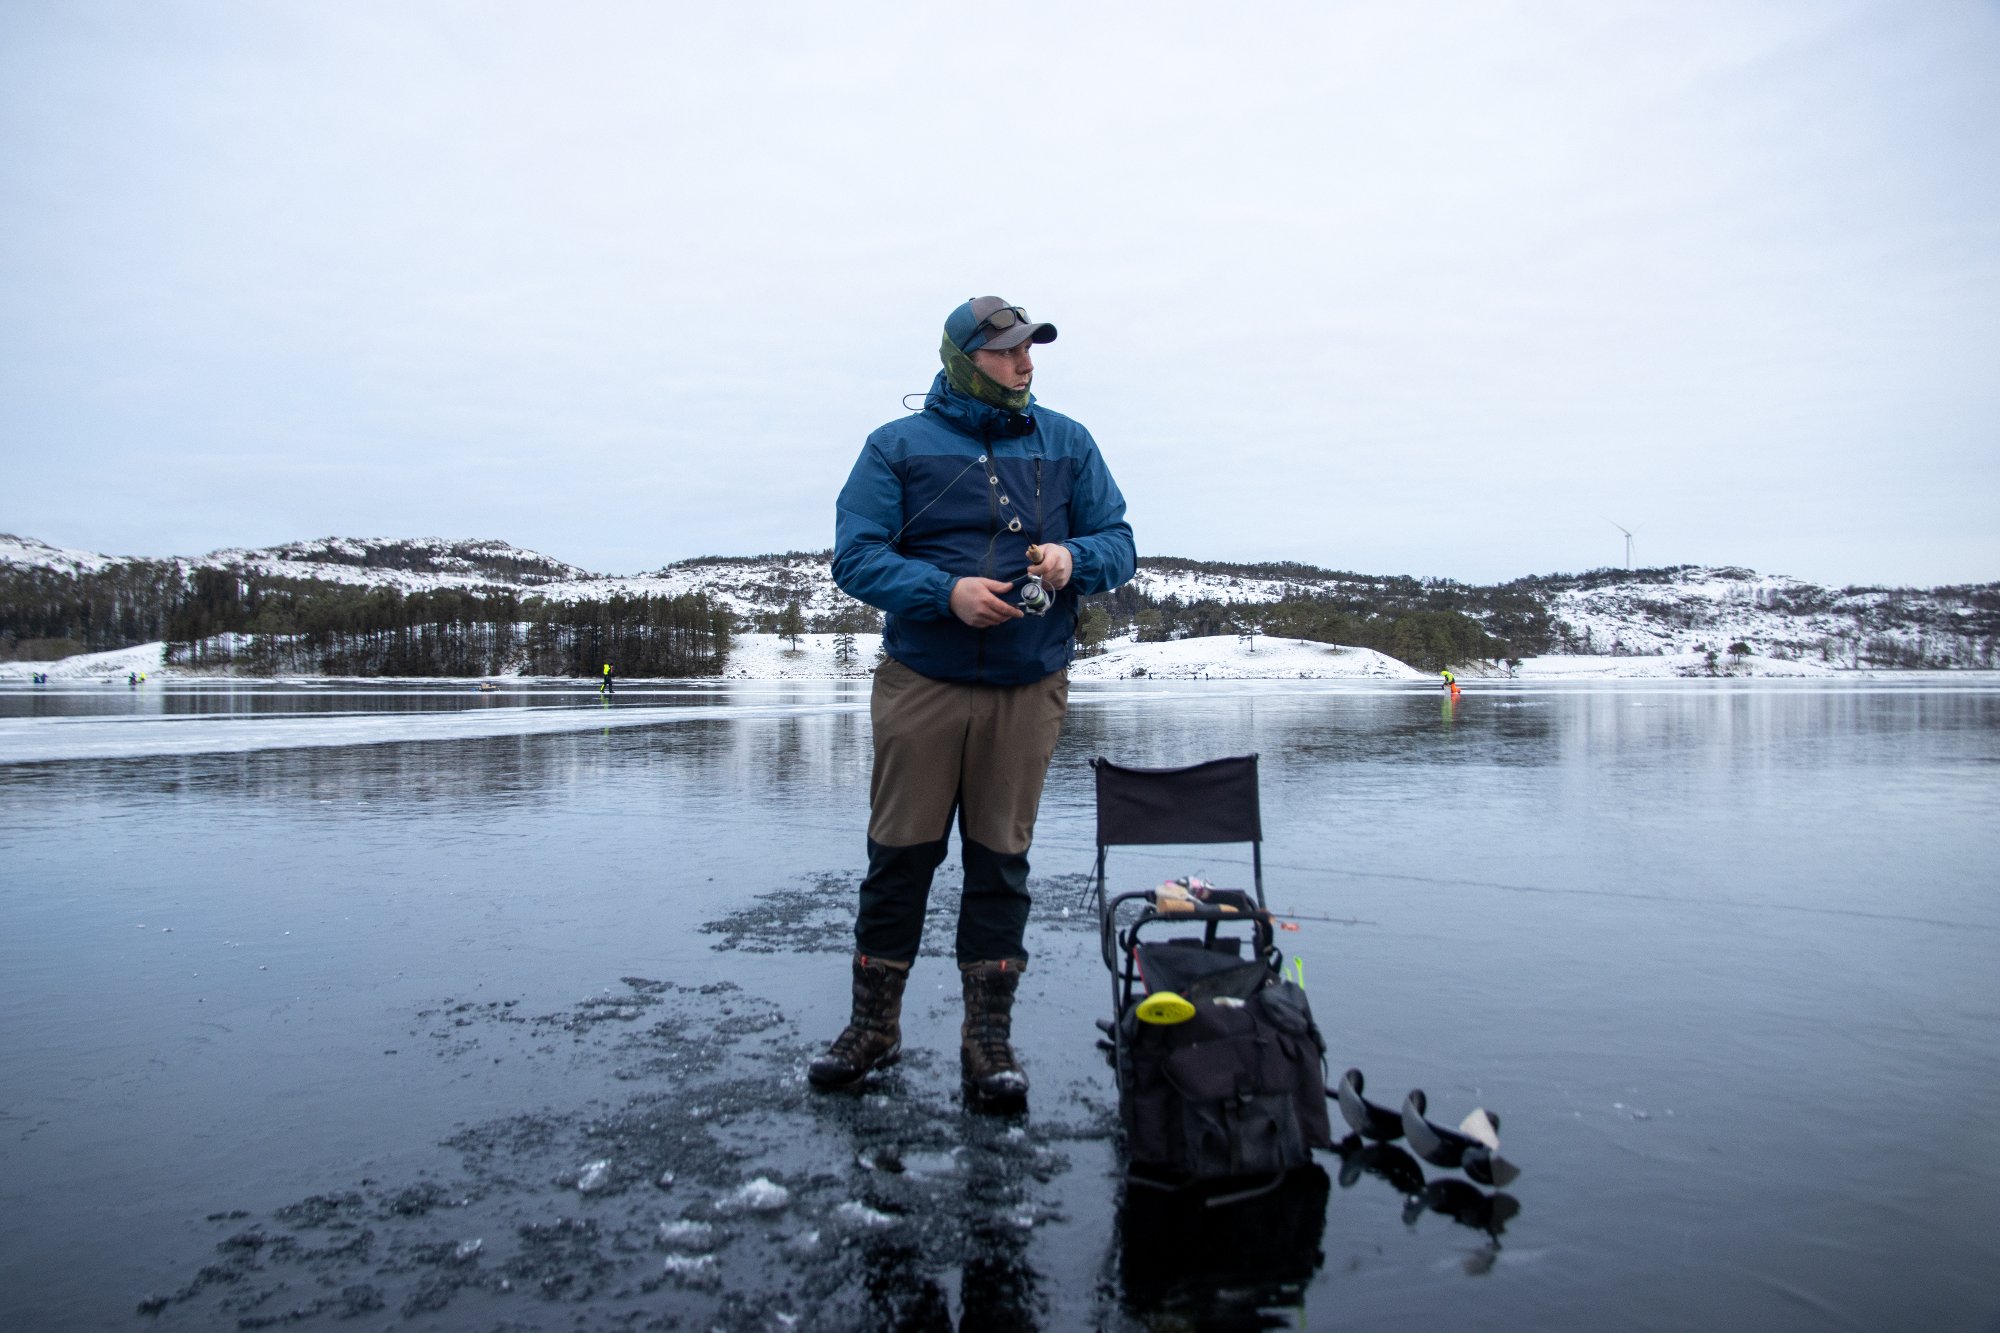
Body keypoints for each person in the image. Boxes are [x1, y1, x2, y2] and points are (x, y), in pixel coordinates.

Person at [812, 295, 1136, 1107]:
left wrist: (1071, 558)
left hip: (1027, 686)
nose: (1027, 364)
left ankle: (987, 1040)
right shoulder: (896, 447)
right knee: (900, 857)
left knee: (1000, 862)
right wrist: (943, 592)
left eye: (1031, 351)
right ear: (965, 359)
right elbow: (854, 557)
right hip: (923, 680)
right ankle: (873, 1028)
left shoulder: (1069, 442)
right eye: (1009, 352)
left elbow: (1120, 543)